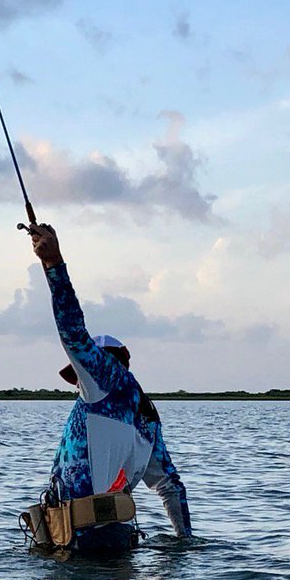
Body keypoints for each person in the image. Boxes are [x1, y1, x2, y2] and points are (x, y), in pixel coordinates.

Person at [29, 222, 192, 553]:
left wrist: (54, 264)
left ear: (101, 363)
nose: (78, 381)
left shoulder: (107, 378)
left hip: (82, 543)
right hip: (110, 543)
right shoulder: (146, 418)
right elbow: (170, 487)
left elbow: (73, 332)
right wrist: (185, 541)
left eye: (80, 371)